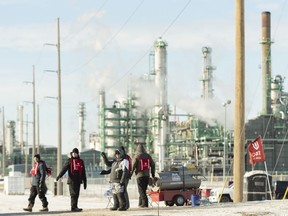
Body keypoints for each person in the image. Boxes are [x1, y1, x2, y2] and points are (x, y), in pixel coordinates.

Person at [56, 148, 87, 212]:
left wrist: (85, 181)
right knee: (73, 194)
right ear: (72, 154)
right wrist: (59, 175)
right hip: (71, 180)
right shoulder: (69, 161)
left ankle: (75, 206)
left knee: (77, 194)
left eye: (75, 153)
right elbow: (64, 169)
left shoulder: (81, 161)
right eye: (73, 153)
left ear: (78, 154)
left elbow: (83, 172)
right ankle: (73, 207)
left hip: (78, 181)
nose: (74, 154)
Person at [131, 143, 155, 208]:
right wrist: (153, 174)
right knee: (143, 190)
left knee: (141, 190)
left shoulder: (137, 156)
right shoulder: (148, 156)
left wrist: (130, 174)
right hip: (147, 175)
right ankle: (141, 203)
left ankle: (145, 204)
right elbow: (153, 164)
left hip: (139, 175)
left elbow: (133, 166)